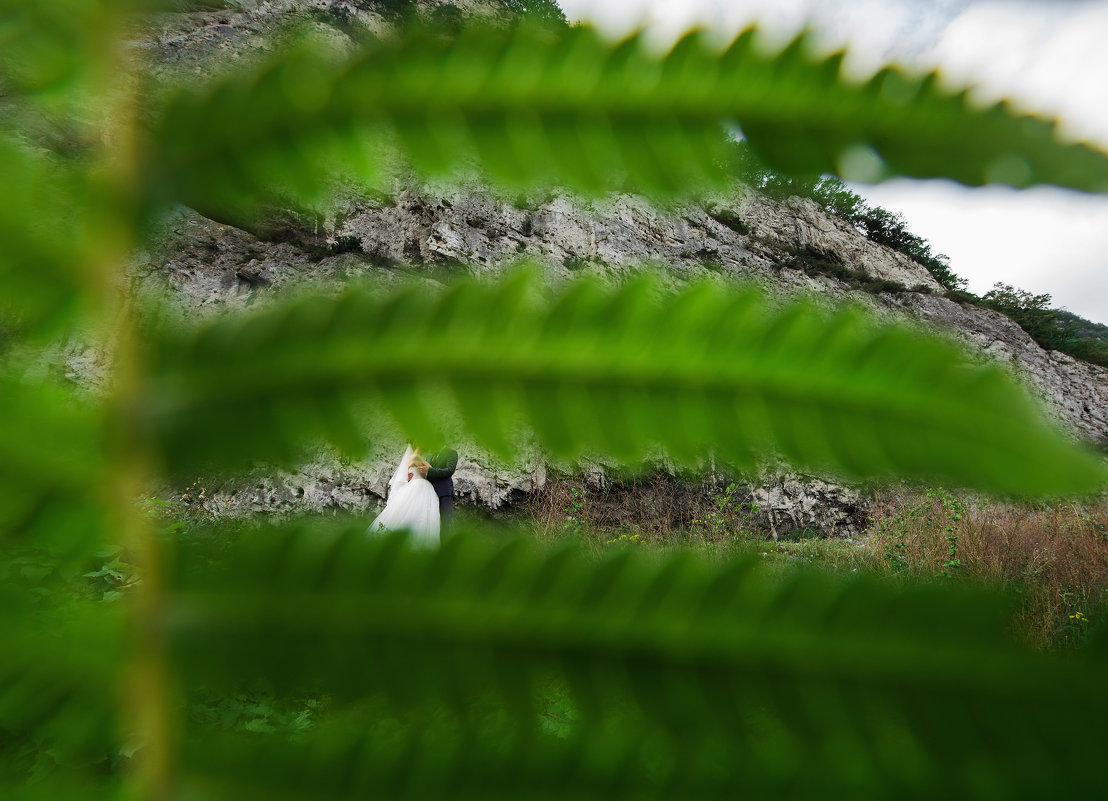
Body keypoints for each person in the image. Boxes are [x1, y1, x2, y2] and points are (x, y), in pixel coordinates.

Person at [367, 445, 439, 546]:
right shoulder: (417, 457)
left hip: (417, 484)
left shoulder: (412, 457)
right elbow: (431, 469)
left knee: (413, 511)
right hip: (420, 485)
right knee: (419, 513)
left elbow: (406, 472)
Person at [423, 444, 459, 530]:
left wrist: (430, 470)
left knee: (447, 522)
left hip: (444, 493)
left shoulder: (451, 452)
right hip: (429, 493)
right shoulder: (429, 456)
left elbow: (449, 470)